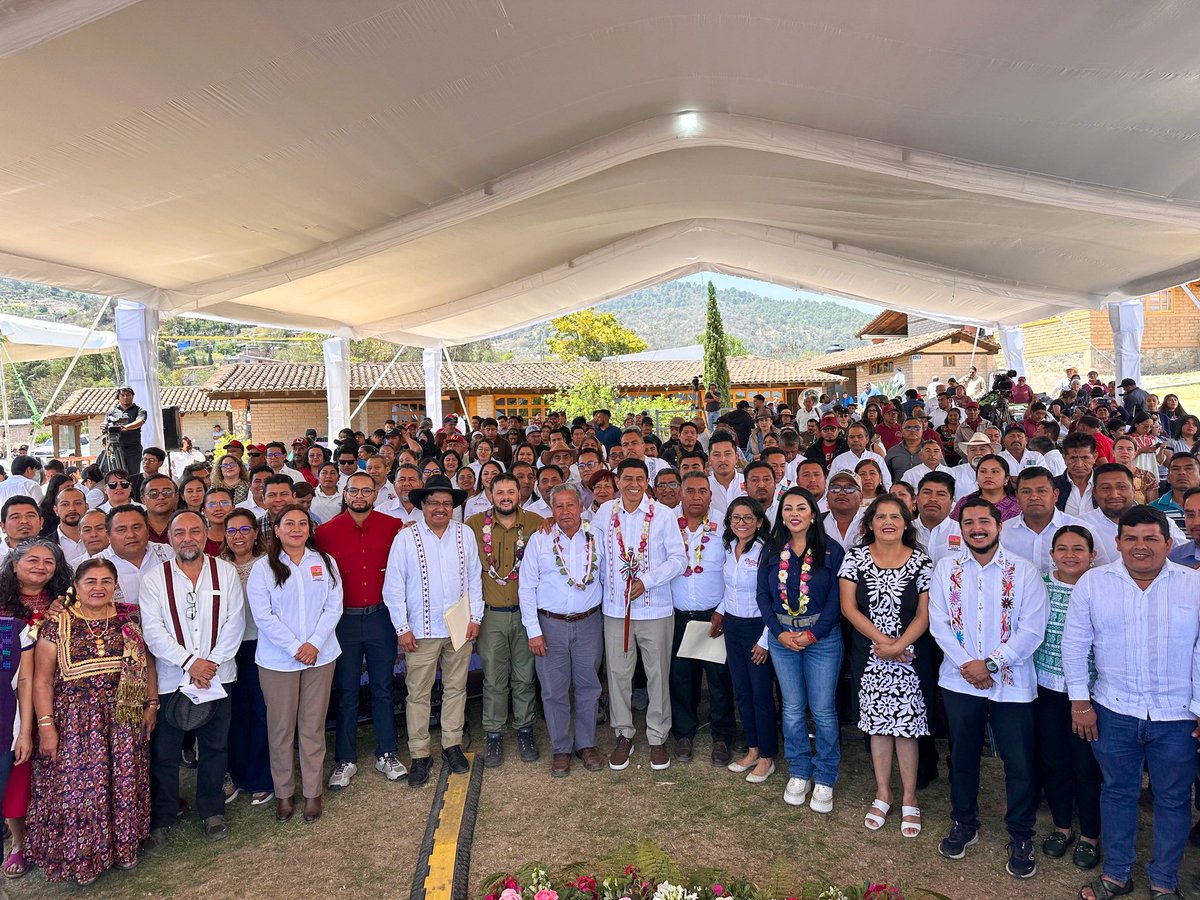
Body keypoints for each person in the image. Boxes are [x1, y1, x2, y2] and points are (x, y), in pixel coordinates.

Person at [1064, 506, 1200, 900]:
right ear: (1118, 542)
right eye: (1132, 538)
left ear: (1168, 544)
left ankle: (1164, 881)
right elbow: (1075, 644)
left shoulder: (1193, 585)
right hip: (1114, 710)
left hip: (1177, 716)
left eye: (1151, 538)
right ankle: (1117, 875)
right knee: (1117, 792)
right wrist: (1080, 702)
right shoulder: (1094, 583)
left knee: (1173, 799)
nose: (1141, 546)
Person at [929, 498, 1048, 878]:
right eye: (969, 522)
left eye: (984, 521)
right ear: (961, 528)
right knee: (963, 757)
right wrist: (969, 665)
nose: (977, 528)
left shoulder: (1024, 571)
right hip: (960, 681)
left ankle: (1021, 834)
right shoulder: (946, 568)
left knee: (1019, 764)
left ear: (999, 525)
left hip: (1012, 686)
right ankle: (964, 822)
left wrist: (991, 664)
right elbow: (939, 623)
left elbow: (1033, 629)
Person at [25, 558, 155, 884]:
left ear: (115, 585)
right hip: (75, 723)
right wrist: (46, 725)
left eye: (106, 581)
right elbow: (42, 680)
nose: (99, 587)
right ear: (76, 586)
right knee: (81, 790)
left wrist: (151, 703)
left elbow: (147, 662)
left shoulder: (129, 617)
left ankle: (123, 848)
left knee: (123, 782)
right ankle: (85, 858)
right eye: (91, 581)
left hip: (123, 717)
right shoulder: (57, 624)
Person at [139, 511, 246, 850]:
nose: (188, 538)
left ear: (205, 535)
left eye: (195, 531)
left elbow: (235, 622)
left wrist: (210, 663)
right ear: (170, 539)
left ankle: (212, 810)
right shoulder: (154, 578)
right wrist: (190, 663)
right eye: (180, 532)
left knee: (215, 746)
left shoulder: (225, 572)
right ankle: (163, 817)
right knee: (165, 752)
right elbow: (152, 631)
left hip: (217, 675)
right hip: (173, 678)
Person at [839, 495, 933, 838]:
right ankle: (883, 793)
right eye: (881, 517)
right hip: (871, 654)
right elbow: (849, 608)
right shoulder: (855, 558)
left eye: (896, 516)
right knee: (878, 727)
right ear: (870, 524)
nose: (888, 522)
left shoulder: (922, 561)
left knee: (907, 728)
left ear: (906, 523)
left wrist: (899, 645)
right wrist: (884, 643)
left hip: (910, 656)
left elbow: (924, 612)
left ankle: (909, 797)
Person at [382, 475, 482, 788]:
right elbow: (393, 586)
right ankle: (420, 753)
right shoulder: (406, 538)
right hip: (420, 630)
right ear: (422, 506)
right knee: (418, 693)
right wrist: (402, 628)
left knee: (456, 688)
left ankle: (452, 744)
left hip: (459, 627)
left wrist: (475, 617)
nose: (440, 508)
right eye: (433, 502)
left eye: (446, 503)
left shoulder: (465, 534)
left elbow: (475, 578)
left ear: (453, 506)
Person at [248, 506, 341, 824]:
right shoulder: (263, 568)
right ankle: (284, 793)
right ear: (276, 529)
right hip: (278, 661)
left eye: (303, 523)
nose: (296, 528)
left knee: (312, 727)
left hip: (320, 656)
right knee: (281, 729)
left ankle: (313, 793)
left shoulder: (325, 562)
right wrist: (294, 647)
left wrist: (314, 643)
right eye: (289, 523)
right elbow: (263, 616)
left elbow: (333, 606)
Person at [314, 471, 406, 790]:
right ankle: (345, 759)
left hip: (381, 618)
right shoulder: (325, 533)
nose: (359, 496)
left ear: (376, 494)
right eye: (353, 490)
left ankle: (387, 752)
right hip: (343, 622)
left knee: (383, 686)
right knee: (347, 690)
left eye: (367, 491)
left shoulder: (393, 527)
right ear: (345, 492)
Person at [593, 459, 686, 772]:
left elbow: (679, 560)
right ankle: (623, 734)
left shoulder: (663, 514)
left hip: (655, 608)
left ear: (647, 482)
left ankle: (658, 736)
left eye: (639, 479)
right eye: (627, 478)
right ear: (618, 482)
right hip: (615, 610)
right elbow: (593, 551)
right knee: (618, 674)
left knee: (657, 673)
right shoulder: (605, 512)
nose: (633, 484)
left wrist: (647, 580)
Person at [756, 486, 844, 812]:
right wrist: (779, 633)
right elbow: (763, 597)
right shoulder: (771, 550)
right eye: (788, 508)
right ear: (781, 515)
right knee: (792, 708)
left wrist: (813, 635)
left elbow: (837, 600)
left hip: (822, 639)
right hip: (782, 639)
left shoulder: (831, 550)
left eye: (801, 508)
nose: (794, 514)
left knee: (822, 710)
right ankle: (799, 770)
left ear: (813, 514)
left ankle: (825, 775)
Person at [517, 484, 605, 777]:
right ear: (551, 510)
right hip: (549, 624)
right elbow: (526, 587)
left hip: (589, 622)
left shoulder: (597, 536)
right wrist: (533, 631)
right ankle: (561, 748)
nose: (565, 511)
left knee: (589, 686)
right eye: (559, 506)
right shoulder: (540, 539)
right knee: (554, 690)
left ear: (581, 507)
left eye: (570, 505)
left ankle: (586, 744)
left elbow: (607, 578)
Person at [1031, 525, 1102, 872]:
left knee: (1087, 766)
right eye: (1062, 549)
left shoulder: (1101, 586)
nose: (1070, 555)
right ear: (1052, 554)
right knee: (1054, 761)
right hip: (1046, 688)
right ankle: (1062, 827)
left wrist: (1084, 699)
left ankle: (1090, 835)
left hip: (1090, 693)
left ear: (1093, 554)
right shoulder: (1039, 586)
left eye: (1078, 549)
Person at [0, 539, 71, 879]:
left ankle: (57, 838)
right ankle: (18, 843)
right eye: (32, 560)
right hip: (11, 702)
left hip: (61, 696)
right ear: (14, 565)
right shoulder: (2, 604)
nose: (41, 566)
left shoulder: (66, 600)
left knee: (58, 771)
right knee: (18, 771)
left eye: (49, 561)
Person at [466, 473, 542, 768]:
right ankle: (494, 732)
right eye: (500, 492)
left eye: (511, 491)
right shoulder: (473, 526)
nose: (506, 497)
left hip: (526, 616)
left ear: (519, 493)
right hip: (491, 616)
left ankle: (525, 729)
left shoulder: (537, 524)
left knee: (525, 677)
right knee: (494, 680)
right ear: (490, 495)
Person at [667, 472, 734, 766]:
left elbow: (734, 570)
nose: (697, 496)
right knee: (681, 678)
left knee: (719, 680)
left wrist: (723, 609)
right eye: (690, 491)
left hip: (714, 615)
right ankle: (684, 733)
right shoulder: (666, 522)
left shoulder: (725, 523)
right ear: (681, 494)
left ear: (710, 495)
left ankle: (722, 736)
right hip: (677, 615)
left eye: (702, 491)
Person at [718, 497, 776, 783]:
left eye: (747, 518)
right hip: (733, 626)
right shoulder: (728, 547)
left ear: (759, 521)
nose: (741, 523)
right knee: (742, 691)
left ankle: (767, 756)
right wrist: (720, 613)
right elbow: (728, 588)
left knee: (761, 694)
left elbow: (773, 598)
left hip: (758, 628)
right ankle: (753, 749)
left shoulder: (767, 551)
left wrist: (765, 639)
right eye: (736, 518)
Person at [220, 509, 273, 808]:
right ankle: (235, 775)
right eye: (231, 531)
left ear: (255, 533)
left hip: (263, 646)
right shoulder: (217, 567)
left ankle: (261, 777)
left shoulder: (269, 564)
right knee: (233, 714)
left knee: (262, 713)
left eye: (244, 529)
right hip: (227, 650)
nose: (238, 536)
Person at [1001, 467, 1084, 574]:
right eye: (1026, 492)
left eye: (1041, 491)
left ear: (1055, 495)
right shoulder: (1003, 532)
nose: (1034, 497)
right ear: (1017, 496)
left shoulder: (1080, 529)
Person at [97, 506, 175, 606]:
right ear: (108, 535)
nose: (131, 535)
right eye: (121, 530)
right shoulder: (96, 565)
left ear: (147, 529)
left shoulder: (166, 553)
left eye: (136, 527)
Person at [952, 454, 1019, 522]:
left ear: (1006, 478)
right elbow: (953, 526)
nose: (988, 476)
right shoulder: (965, 502)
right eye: (983, 471)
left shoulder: (1018, 505)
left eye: (994, 471)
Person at [103, 387, 146, 476]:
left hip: (133, 449)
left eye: (128, 395)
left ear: (132, 396)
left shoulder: (139, 410)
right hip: (115, 448)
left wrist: (126, 427)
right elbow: (106, 424)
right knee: (117, 475)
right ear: (118, 397)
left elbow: (140, 422)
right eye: (122, 395)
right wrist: (103, 426)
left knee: (133, 476)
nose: (125, 397)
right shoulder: (111, 411)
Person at [203, 487, 235, 556]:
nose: (218, 508)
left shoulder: (242, 535)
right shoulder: (200, 538)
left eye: (224, 503)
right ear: (204, 511)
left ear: (233, 507)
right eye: (211, 505)